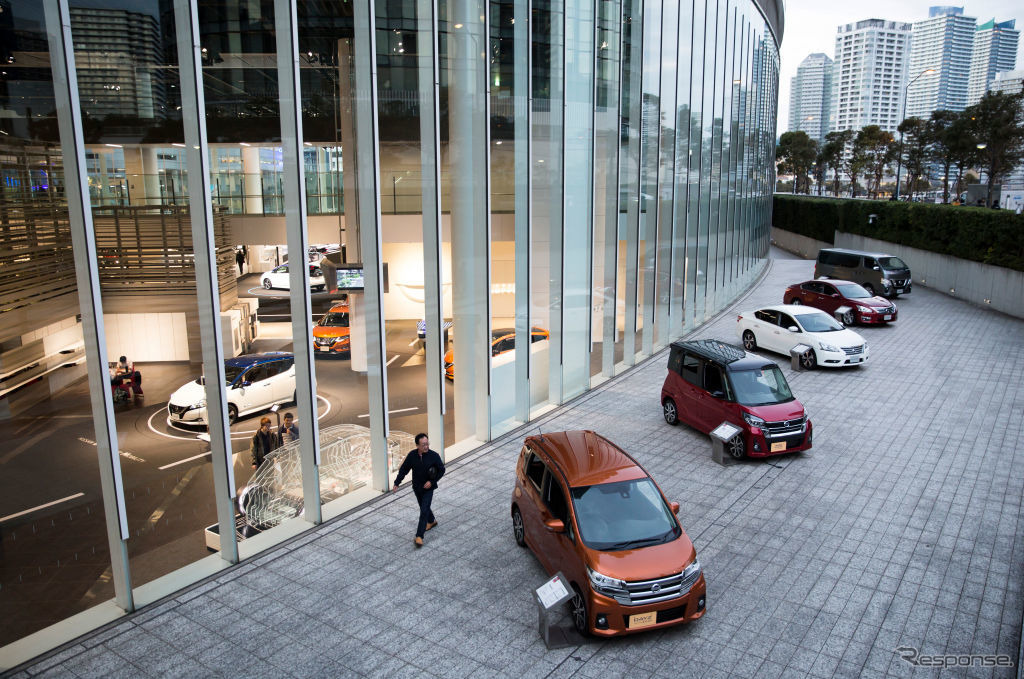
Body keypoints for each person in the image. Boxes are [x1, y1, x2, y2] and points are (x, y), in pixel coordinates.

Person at [392, 433, 445, 547]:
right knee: (423, 507)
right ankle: (431, 521)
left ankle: (419, 536)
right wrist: (397, 483)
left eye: (427, 444)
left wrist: (432, 482)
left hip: (429, 488)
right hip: (417, 487)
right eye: (423, 445)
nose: (426, 446)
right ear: (417, 446)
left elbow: (441, 470)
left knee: (424, 509)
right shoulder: (412, 455)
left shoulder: (434, 456)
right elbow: (404, 470)